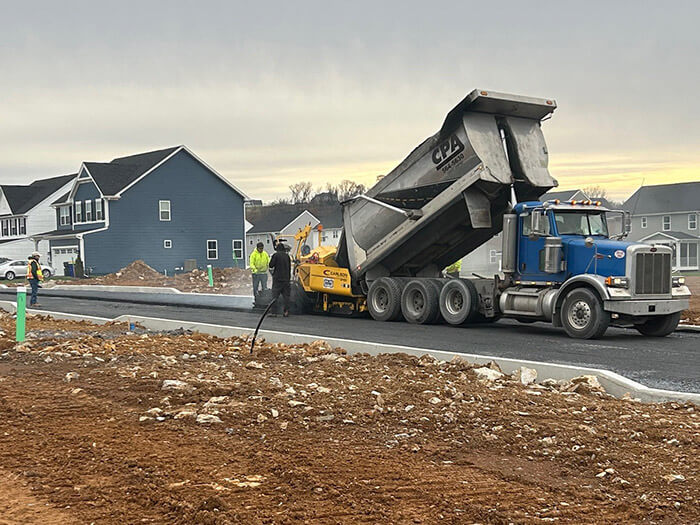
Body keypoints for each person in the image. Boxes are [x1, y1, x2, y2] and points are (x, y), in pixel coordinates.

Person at [268, 240, 292, 316]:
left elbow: (271, 265)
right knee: (286, 297)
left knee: (275, 296)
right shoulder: (287, 256)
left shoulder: (276, 255)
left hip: (278, 279)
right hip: (286, 279)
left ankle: (274, 312)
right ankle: (286, 311)